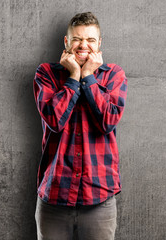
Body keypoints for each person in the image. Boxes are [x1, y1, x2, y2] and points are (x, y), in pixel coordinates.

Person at [33, 12, 128, 240]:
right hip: (54, 199)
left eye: (90, 40)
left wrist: (88, 77)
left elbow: (107, 122)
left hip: (99, 199)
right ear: (66, 42)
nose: (83, 45)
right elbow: (54, 120)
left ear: (99, 44)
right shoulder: (46, 74)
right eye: (76, 39)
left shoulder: (113, 75)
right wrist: (75, 76)